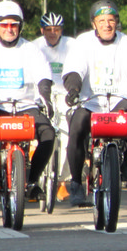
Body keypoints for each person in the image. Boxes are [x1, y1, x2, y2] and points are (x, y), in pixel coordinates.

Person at [62, 0, 127, 204]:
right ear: (94, 23)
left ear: (117, 22)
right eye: (102, 21)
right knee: (77, 126)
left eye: (111, 20)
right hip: (90, 102)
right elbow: (75, 68)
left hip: (119, 102)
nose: (107, 25)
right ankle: (76, 183)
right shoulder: (83, 42)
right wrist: (74, 89)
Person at [0, 2, 57, 202]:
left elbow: (43, 75)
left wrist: (46, 97)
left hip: (26, 107)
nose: (9, 29)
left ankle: (32, 181)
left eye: (14, 25)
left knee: (49, 134)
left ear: (20, 27)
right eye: (4, 25)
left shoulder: (31, 49)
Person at [37, 11, 76, 189]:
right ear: (42, 30)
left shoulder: (72, 45)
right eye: (49, 29)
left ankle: (62, 180)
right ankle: (36, 179)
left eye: (57, 29)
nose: (53, 33)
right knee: (39, 136)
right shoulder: (34, 47)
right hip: (42, 95)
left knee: (67, 137)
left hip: (64, 96)